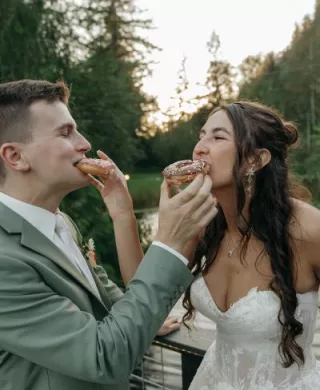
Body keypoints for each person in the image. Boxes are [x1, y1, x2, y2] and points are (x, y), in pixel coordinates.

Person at [0, 79, 218, 390]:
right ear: (16, 157)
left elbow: (105, 298)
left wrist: (122, 214)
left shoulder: (59, 222)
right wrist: (169, 244)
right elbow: (104, 358)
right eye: (65, 132)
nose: (85, 143)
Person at [181, 101, 320, 389]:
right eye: (201, 136)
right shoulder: (203, 223)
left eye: (217, 137)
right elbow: (146, 294)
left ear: (256, 160)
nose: (200, 148)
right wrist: (122, 212)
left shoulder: (307, 229)